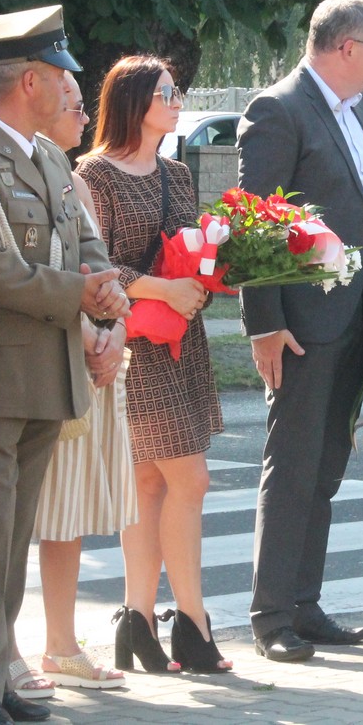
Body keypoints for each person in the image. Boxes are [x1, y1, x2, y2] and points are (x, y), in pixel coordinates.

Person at [0, 5, 130, 725]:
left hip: (50, 374)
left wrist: (106, 308)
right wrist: (78, 296)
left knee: (12, 539)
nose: (68, 90)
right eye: (61, 77)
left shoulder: (49, 157)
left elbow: (85, 245)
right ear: (29, 80)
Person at [237, 0, 363, 662]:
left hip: (358, 311)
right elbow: (252, 220)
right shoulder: (279, 109)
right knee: (295, 465)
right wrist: (263, 326)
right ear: (347, 48)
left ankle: (305, 602)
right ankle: (272, 616)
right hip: (302, 323)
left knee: (327, 465)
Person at [77, 56, 230, 674]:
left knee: (150, 483)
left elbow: (189, 244)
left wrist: (209, 271)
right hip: (134, 344)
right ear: (134, 102)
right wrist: (165, 292)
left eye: (176, 92)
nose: (176, 101)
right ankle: (192, 625)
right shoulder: (94, 173)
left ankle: (136, 620)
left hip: (181, 341)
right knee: (190, 480)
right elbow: (96, 263)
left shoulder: (174, 172)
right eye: (166, 93)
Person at [26, 71, 133, 689]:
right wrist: (87, 329)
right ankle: (1, 649)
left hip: (88, 364)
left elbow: (99, 266)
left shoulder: (66, 174)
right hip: (43, 362)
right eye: (70, 101)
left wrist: (115, 330)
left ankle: (61, 644)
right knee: (25, 517)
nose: (80, 112)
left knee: (65, 518)